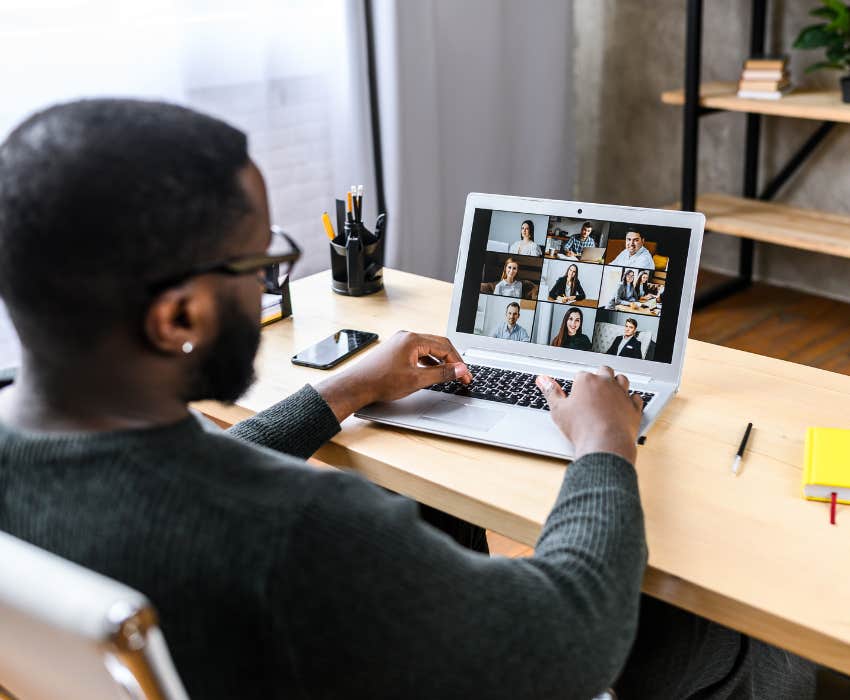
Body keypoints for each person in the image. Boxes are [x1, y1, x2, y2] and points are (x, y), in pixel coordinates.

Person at [0, 100, 815, 700]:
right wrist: (604, 446)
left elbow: (175, 487)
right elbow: (572, 650)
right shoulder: (303, 534)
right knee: (764, 630)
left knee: (437, 515)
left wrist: (346, 389)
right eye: (258, 267)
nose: (270, 282)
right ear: (180, 315)